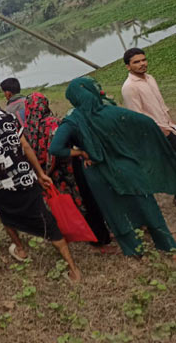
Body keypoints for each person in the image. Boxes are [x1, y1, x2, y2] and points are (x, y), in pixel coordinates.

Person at [0, 81, 81, 281]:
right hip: (25, 177)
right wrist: (40, 173)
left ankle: (20, 249)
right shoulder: (5, 115)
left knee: (7, 217)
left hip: (0, 184)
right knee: (44, 217)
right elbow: (26, 147)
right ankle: (73, 269)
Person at [49, 77, 176, 257]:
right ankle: (167, 245)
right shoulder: (112, 111)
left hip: (97, 171)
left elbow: (55, 148)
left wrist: (81, 152)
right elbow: (146, 123)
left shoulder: (72, 120)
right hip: (126, 166)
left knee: (115, 211)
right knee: (145, 204)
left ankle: (134, 250)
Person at [24, 92, 112, 247]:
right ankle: (101, 239)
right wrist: (80, 152)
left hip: (51, 176)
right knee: (87, 201)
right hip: (70, 169)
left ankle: (84, 235)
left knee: (71, 205)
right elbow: (63, 146)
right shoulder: (53, 123)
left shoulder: (27, 129)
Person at [121, 48, 176, 151]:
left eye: (144, 60)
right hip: (158, 133)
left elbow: (161, 104)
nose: (142, 64)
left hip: (169, 127)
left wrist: (171, 123)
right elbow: (138, 117)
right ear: (128, 67)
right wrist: (163, 131)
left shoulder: (150, 78)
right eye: (136, 62)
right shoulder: (129, 87)